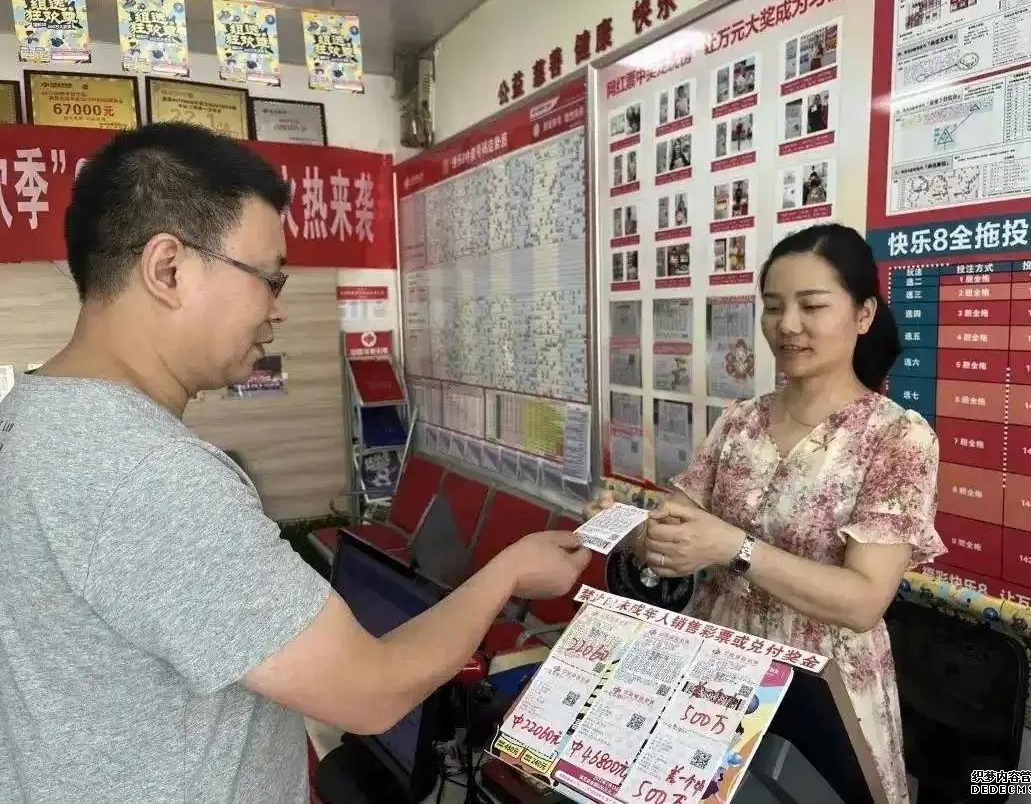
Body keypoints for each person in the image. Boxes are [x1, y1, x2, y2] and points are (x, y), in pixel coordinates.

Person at [0, 122, 590, 802]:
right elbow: (371, 692)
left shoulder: (30, 418)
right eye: (269, 278)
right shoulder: (147, 473)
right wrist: (508, 572)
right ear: (168, 270)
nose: (276, 310)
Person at [587, 224, 945, 803]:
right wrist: (634, 533)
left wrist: (735, 548)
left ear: (863, 314)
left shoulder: (897, 438)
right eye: (774, 307)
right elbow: (681, 535)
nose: (788, 325)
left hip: (823, 690)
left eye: (812, 306)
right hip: (715, 671)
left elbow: (863, 601)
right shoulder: (740, 421)